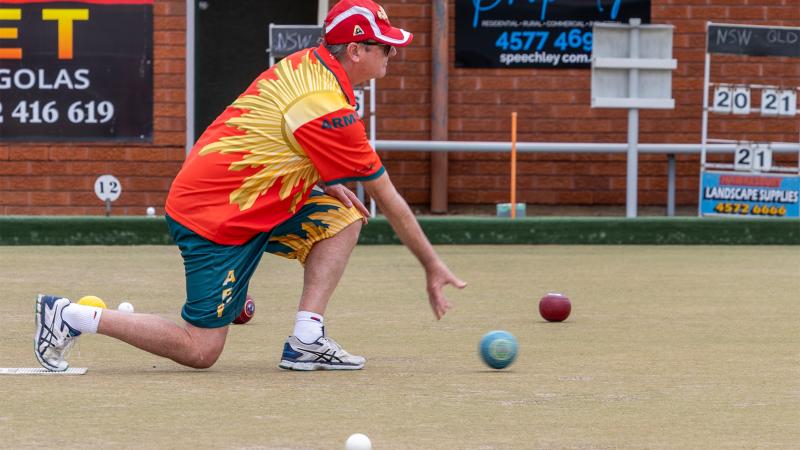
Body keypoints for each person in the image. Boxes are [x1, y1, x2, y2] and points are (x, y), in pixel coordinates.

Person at [34, 0, 466, 372]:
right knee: (202, 349)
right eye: (385, 46)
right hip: (214, 216)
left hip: (258, 199)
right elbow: (389, 198)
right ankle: (72, 316)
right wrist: (431, 265)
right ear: (355, 50)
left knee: (345, 216)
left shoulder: (311, 64)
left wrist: (324, 181)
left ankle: (305, 340)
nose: (392, 53)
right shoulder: (324, 105)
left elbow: (279, 137)